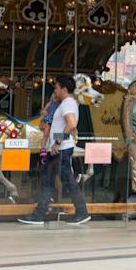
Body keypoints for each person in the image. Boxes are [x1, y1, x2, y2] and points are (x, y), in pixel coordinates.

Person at [18, 76, 89, 225]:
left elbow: (71, 124)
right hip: (58, 149)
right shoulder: (65, 103)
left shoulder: (67, 104)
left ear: (63, 89)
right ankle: (40, 213)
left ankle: (81, 212)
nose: (55, 91)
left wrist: (57, 142)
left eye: (56, 88)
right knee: (49, 179)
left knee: (65, 180)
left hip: (61, 149)